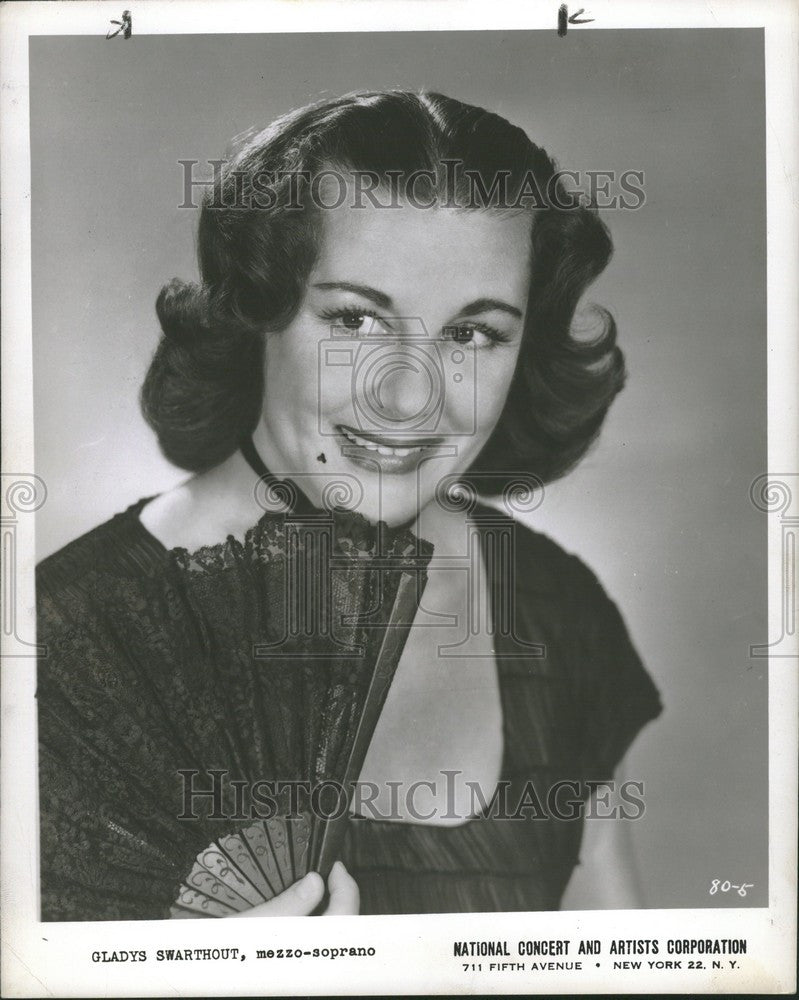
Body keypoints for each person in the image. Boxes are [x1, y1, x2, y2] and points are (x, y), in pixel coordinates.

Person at [36, 90, 662, 920]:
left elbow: (626, 967)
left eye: (472, 334)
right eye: (357, 320)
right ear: (257, 309)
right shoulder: (57, 643)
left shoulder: (553, 607)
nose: (408, 397)